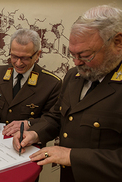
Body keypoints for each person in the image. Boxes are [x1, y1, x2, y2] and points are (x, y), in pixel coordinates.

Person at [13, 5, 122, 182]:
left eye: (86, 55)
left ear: (118, 42)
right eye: (72, 55)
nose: (77, 62)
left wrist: (71, 156)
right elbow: (57, 116)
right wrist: (35, 133)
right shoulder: (73, 76)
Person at [0, 29, 62, 136]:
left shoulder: (51, 84)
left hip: (27, 143)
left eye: (25, 58)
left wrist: (29, 124)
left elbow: (52, 121)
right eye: (14, 56)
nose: (18, 63)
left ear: (37, 55)